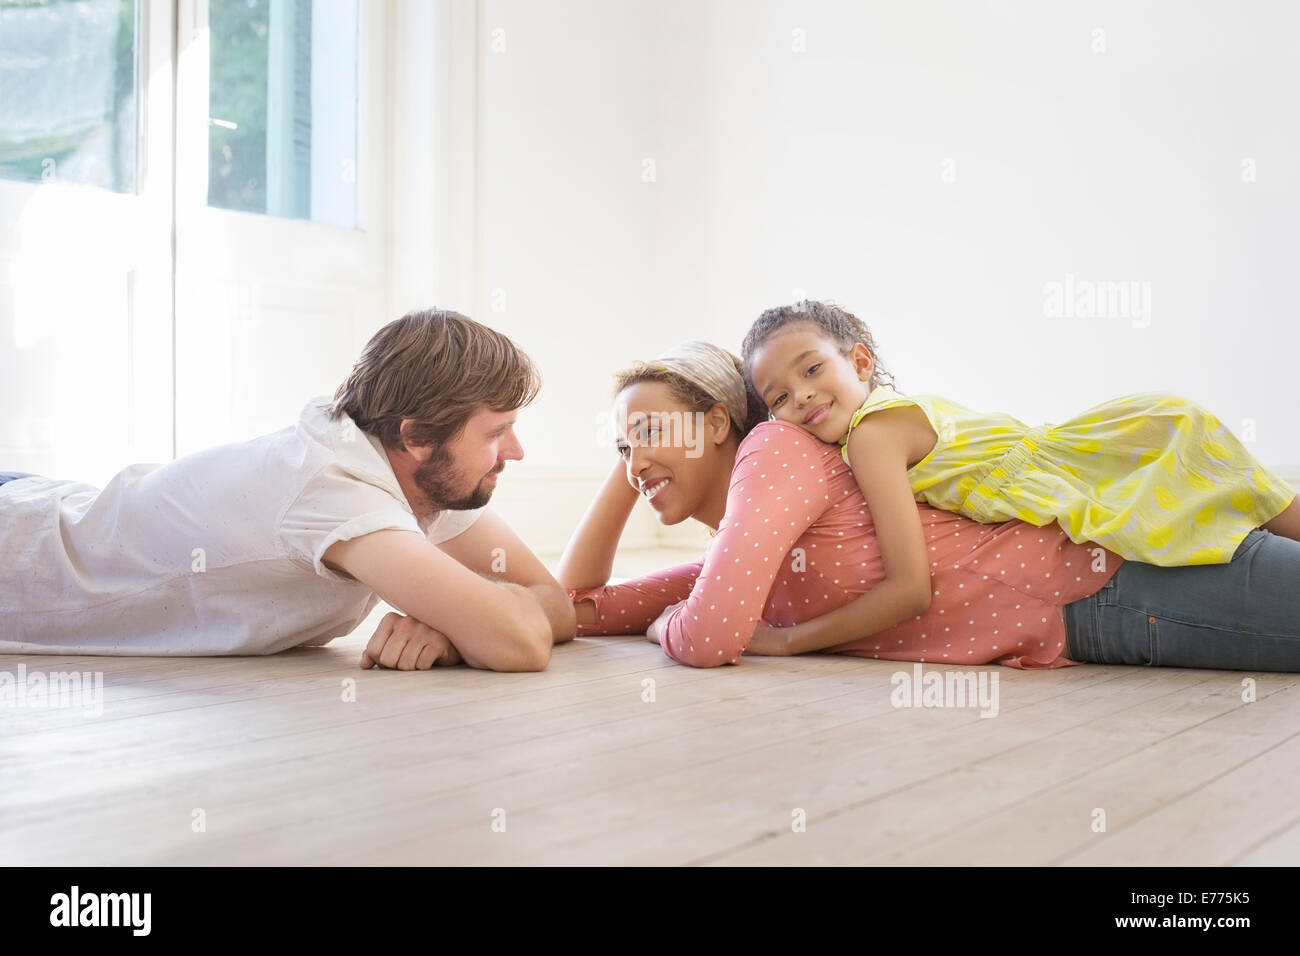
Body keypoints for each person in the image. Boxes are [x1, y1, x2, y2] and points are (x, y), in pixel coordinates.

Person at [552, 340, 1300, 672]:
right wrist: (634, 462)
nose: (633, 461)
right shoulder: (740, 558)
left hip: (1115, 581)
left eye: (651, 434)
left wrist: (665, 629)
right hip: (1090, 617)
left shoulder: (775, 452)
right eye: (620, 448)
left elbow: (709, 637)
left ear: (719, 423)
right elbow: (579, 606)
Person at [0, 309, 576, 672]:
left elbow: (555, 609)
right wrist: (473, 623)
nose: (517, 452)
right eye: (497, 434)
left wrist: (454, 629)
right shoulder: (336, 491)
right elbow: (519, 642)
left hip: (53, 501)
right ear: (417, 437)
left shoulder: (417, 471)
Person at [741, 300, 1300, 586]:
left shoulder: (872, 436)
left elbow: (910, 587)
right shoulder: (869, 431)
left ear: (860, 362)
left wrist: (789, 643)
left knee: (1252, 502)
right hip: (1098, 445)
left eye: (813, 369)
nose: (803, 396)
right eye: (780, 397)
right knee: (1244, 502)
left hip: (1107, 451)